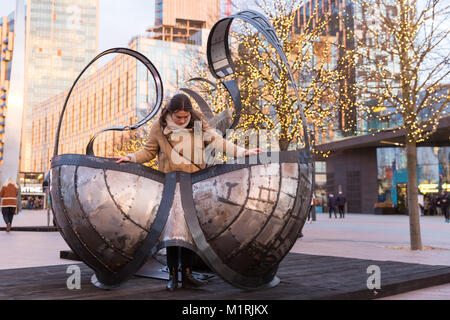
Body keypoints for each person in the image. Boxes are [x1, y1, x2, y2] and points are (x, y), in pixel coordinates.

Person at [114, 93, 261, 291]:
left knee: (192, 231)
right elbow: (148, 151)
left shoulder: (199, 123)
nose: (182, 120)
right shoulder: (159, 127)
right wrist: (130, 158)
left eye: (185, 117)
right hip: (171, 185)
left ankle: (188, 273)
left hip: (194, 185)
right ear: (170, 113)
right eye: (178, 117)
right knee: (174, 232)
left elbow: (219, 142)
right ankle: (173, 275)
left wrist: (243, 152)